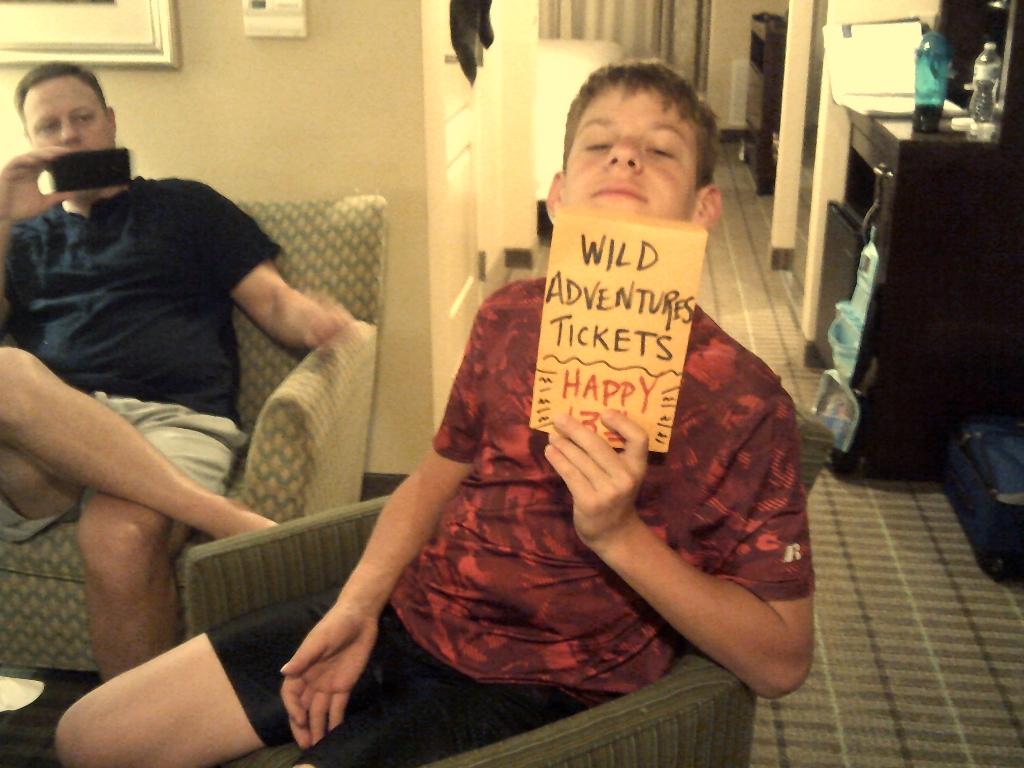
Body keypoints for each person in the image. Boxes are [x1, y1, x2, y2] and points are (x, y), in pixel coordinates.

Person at [54, 61, 815, 768]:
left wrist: (619, 535)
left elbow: (781, 663)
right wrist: (358, 606)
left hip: (542, 686)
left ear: (704, 208)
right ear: (557, 197)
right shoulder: (508, 317)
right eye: (599, 144)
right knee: (91, 735)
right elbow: (430, 481)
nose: (625, 158)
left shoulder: (746, 402)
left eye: (661, 149)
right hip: (410, 615)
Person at [0, 63, 355, 680]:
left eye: (82, 118)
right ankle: (219, 516)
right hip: (48, 443)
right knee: (6, 371)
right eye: (49, 126)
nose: (70, 135)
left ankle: (136, 725)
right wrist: (4, 220)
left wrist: (314, 322)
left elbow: (273, 301)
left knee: (119, 539)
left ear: (111, 122)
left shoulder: (186, 205)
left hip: (172, 423)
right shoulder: (21, 233)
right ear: (30, 142)